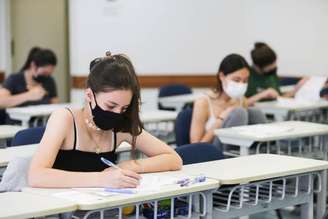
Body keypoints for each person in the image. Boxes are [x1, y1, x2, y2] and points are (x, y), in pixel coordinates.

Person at [28, 52, 182, 188]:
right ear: (89, 95)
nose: (117, 114)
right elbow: (36, 176)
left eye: (123, 108)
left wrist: (128, 165)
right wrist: (100, 178)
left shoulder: (121, 125)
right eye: (110, 106)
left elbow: (173, 159)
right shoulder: (64, 118)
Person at [190, 54, 267, 148]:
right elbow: (196, 147)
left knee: (254, 112)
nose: (241, 85)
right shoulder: (203, 102)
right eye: (236, 80)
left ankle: (265, 149)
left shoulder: (241, 100)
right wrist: (221, 120)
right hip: (212, 154)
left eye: (245, 81)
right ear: (222, 76)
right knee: (238, 112)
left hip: (238, 151)